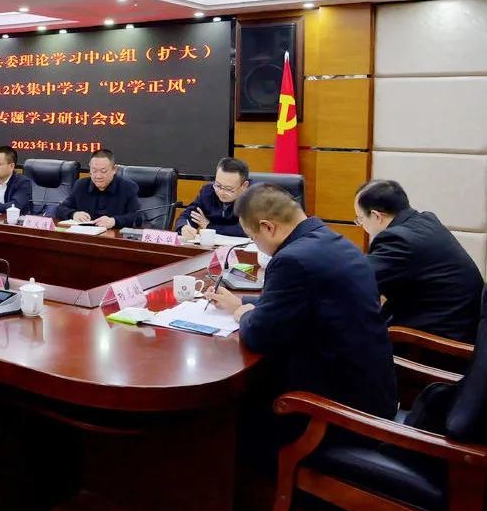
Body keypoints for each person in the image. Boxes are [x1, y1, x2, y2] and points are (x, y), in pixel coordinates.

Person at [205, 184, 397, 419]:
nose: (256, 244)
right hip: (371, 391)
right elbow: (300, 301)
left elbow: (259, 335)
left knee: (235, 402)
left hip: (339, 408)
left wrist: (243, 314)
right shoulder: (333, 240)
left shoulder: (292, 259)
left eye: (253, 237)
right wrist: (241, 302)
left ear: (268, 227)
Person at [355, 179, 484, 343]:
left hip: (438, 343)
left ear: (376, 216)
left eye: (360, 219)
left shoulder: (398, 239)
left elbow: (357, 280)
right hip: (462, 328)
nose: (361, 225)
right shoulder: (425, 221)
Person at [54, 148, 140, 229]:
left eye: (103, 171)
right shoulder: (81, 185)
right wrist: (74, 214)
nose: (98, 176)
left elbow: (136, 217)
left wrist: (114, 221)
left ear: (114, 169)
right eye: (94, 170)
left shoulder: (128, 187)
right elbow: (60, 209)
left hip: (114, 236)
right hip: (86, 235)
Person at [176, 157, 250, 239]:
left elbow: (246, 230)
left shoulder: (252, 198)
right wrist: (184, 226)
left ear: (244, 186)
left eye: (228, 189)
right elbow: (189, 215)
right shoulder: (208, 191)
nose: (221, 192)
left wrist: (209, 226)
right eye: (218, 185)